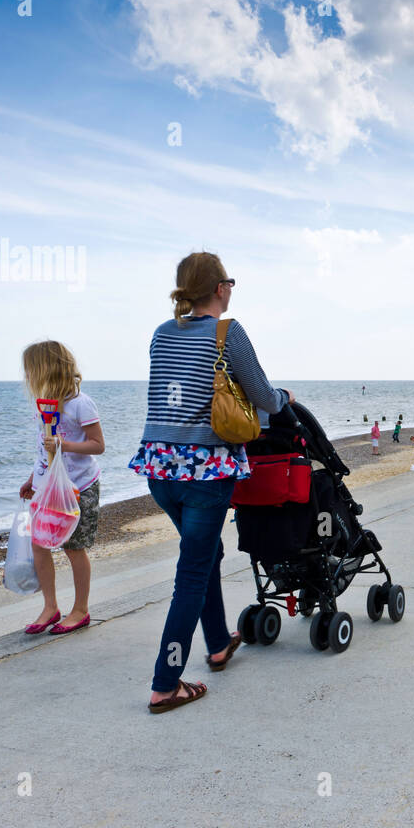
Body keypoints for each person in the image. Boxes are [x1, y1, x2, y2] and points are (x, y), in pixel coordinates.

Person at [131, 252, 291, 714]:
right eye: (230, 283)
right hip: (204, 471)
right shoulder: (228, 332)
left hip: (159, 469)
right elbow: (263, 396)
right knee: (192, 574)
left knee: (205, 555)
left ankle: (219, 642)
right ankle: (166, 682)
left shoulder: (162, 333)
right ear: (221, 288)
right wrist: (285, 398)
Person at [19, 341, 105, 635]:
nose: (27, 377)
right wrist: (33, 478)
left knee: (73, 547)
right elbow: (42, 449)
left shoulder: (80, 403)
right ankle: (50, 606)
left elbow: (97, 445)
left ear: (46, 369)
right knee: (39, 544)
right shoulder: (44, 405)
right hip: (47, 486)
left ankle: (80, 609)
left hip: (78, 487)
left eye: (30, 370)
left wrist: (63, 444)